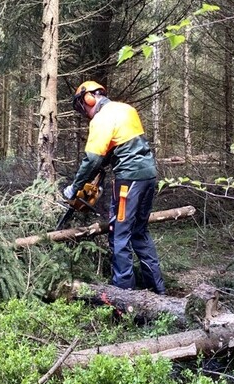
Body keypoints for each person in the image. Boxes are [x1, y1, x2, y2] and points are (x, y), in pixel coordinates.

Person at [63, 80, 165, 295]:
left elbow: (93, 159)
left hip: (129, 180)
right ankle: (157, 290)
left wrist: (75, 187)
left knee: (119, 233)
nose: (83, 110)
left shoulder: (101, 118)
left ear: (89, 98)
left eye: (82, 104)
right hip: (148, 175)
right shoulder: (125, 109)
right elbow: (119, 147)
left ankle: (123, 294)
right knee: (140, 231)